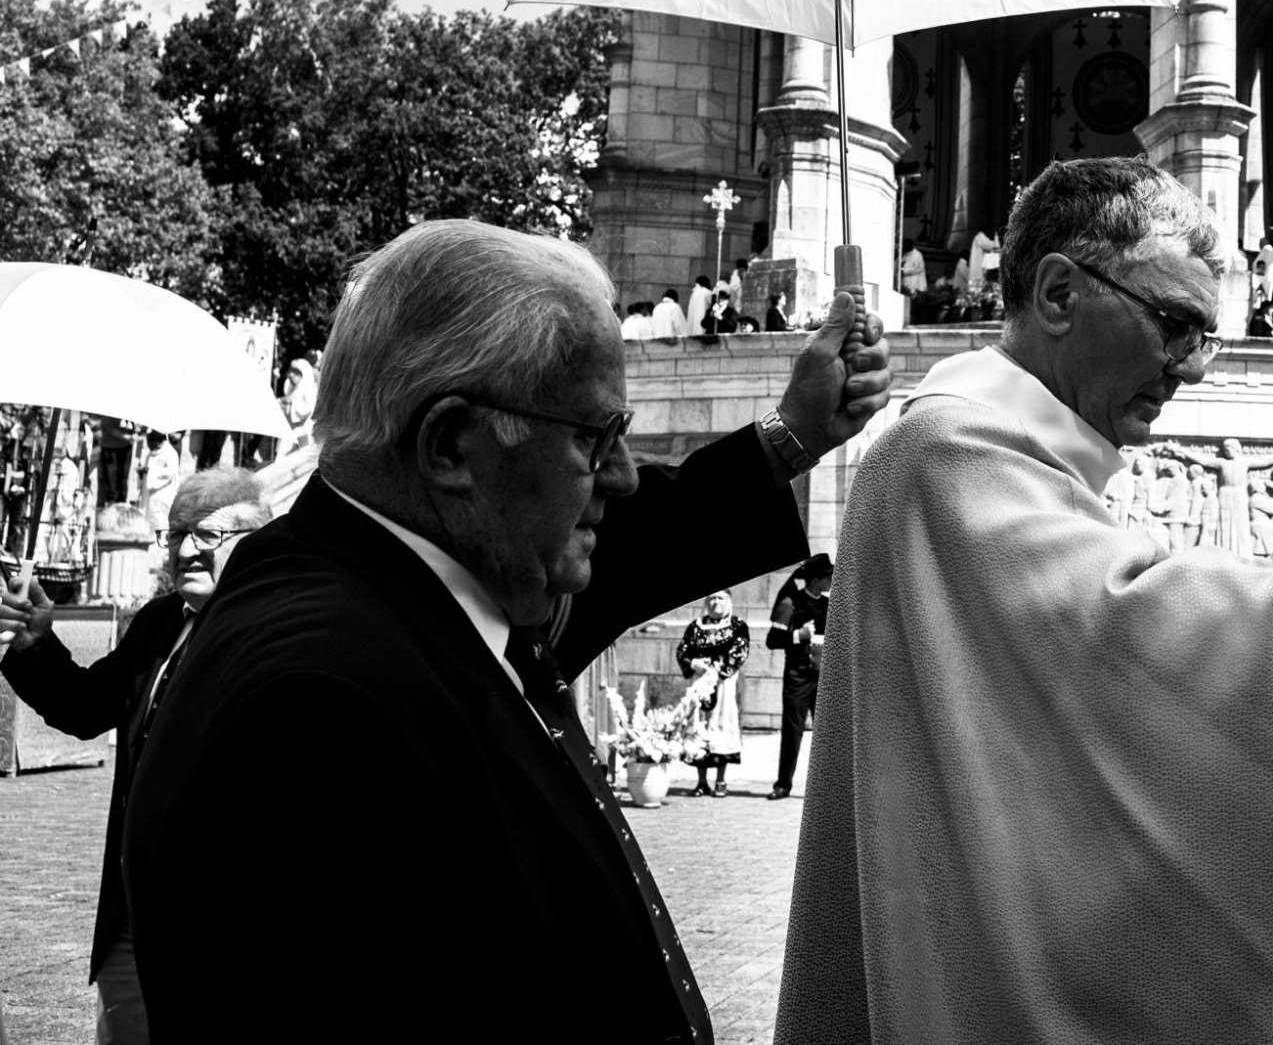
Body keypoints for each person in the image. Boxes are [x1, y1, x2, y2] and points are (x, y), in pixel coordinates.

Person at [776, 156, 1273, 1045]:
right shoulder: (950, 449)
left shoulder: (993, 448)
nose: (1193, 369)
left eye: (1205, 337)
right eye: (1174, 324)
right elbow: (1151, 648)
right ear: (1059, 293)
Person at [120, 219, 891, 1044]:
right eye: (596, 439)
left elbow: (628, 545)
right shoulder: (321, 711)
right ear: (452, 443)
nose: (622, 476)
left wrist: (791, 436)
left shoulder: (414, 578)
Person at [0, 468, 269, 1045]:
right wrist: (33, 643)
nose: (185, 550)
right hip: (131, 913)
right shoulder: (157, 622)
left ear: (254, 541)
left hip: (222, 927)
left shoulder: (273, 632)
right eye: (175, 534)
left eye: (208, 535)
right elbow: (86, 707)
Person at [766, 552, 830, 801]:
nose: (831, 581)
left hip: (823, 679)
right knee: (792, 733)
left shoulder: (828, 605)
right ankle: (783, 785)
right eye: (828, 577)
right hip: (798, 678)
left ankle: (827, 789)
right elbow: (772, 641)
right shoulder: (791, 603)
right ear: (815, 580)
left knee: (826, 736)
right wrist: (798, 635)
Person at [677, 589, 750, 796]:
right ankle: (701, 781)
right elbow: (683, 648)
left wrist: (718, 669)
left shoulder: (737, 626)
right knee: (698, 726)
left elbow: (740, 651)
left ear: (728, 601)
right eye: (712, 598)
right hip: (699, 682)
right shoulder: (696, 627)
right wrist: (693, 662)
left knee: (721, 726)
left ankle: (720, 780)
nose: (716, 602)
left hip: (723, 683)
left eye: (720, 598)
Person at [139, 432, 179, 533]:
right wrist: (142, 472)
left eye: (150, 443)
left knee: (160, 523)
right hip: (148, 496)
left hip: (162, 495)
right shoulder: (150, 454)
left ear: (158, 441)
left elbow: (172, 472)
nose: (149, 446)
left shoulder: (170, 453)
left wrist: (151, 471)